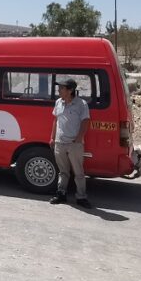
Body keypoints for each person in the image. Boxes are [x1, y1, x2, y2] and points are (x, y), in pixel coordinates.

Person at [49, 78, 92, 208]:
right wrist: (52, 137)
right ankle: (61, 194)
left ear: (70, 90)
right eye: (59, 87)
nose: (59, 90)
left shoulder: (81, 104)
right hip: (59, 142)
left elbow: (86, 121)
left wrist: (79, 138)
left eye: (62, 88)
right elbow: (56, 120)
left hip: (74, 143)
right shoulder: (58, 102)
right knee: (63, 171)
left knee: (78, 172)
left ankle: (81, 197)